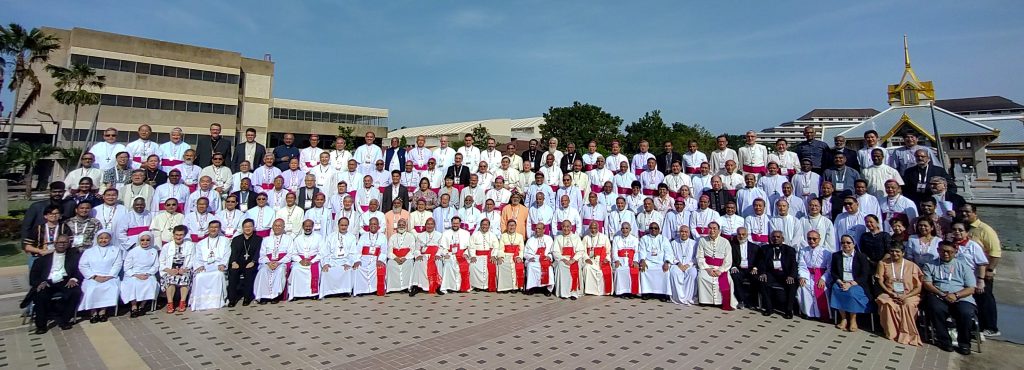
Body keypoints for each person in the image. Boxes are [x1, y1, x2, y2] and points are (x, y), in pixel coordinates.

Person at [922, 241, 978, 355]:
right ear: (938, 250)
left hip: (961, 296)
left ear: (955, 252)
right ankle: (944, 341)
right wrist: (942, 294)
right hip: (939, 295)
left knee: (966, 313)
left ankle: (964, 343)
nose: (946, 254)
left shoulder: (963, 266)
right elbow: (927, 284)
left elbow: (971, 288)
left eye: (949, 252)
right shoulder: (930, 265)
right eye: (943, 251)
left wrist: (956, 295)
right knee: (934, 308)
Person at [959, 204, 1001, 337]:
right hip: (968, 272)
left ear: (975, 213)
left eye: (967, 212)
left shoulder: (985, 229)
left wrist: (990, 270)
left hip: (982, 271)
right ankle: (978, 326)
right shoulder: (963, 227)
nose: (964, 214)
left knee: (985, 299)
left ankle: (991, 327)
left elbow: (995, 252)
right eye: (962, 212)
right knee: (975, 300)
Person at [27, 235, 82, 333]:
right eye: (60, 242)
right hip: (47, 282)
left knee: (75, 292)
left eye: (65, 243)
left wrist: (74, 279)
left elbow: (79, 271)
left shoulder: (74, 258)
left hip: (65, 280)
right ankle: (41, 325)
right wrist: (40, 282)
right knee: (40, 295)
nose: (62, 244)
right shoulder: (42, 260)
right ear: (55, 243)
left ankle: (64, 320)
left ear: (69, 244)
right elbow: (33, 276)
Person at [876, 244, 923, 346]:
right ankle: (892, 333)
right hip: (890, 293)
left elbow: (918, 287)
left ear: (903, 253)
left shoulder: (912, 266)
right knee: (886, 303)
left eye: (897, 251)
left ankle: (907, 334)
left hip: (909, 294)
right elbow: (880, 281)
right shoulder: (884, 263)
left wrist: (905, 296)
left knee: (908, 305)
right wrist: (890, 293)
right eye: (892, 251)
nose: (894, 254)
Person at [830, 234, 872, 332]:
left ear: (854, 244)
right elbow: (833, 272)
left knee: (851, 293)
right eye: (843, 242)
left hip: (856, 283)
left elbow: (864, 275)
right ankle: (844, 319)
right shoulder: (836, 255)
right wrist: (840, 282)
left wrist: (850, 284)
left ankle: (853, 319)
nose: (846, 245)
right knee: (836, 289)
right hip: (842, 282)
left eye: (848, 242)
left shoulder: (861, 256)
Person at [78, 230, 122, 323]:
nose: (103, 240)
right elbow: (83, 265)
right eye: (101, 238)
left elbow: (117, 264)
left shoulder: (116, 250)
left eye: (106, 238)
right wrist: (94, 276)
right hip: (93, 277)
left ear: (110, 239)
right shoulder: (89, 251)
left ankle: (103, 311)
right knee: (92, 288)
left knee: (110, 287)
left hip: (109, 276)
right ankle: (93, 313)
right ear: (97, 239)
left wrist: (109, 276)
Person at [754, 231, 798, 318]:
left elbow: (794, 264)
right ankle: (769, 308)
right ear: (770, 238)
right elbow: (761, 262)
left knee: (792, 284)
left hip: (785, 274)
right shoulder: (764, 249)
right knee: (762, 281)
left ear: (782, 239)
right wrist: (763, 273)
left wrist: (791, 275)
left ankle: (788, 310)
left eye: (778, 237)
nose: (775, 239)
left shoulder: (790, 250)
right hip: (771, 273)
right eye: (773, 237)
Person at [696, 222, 736, 310]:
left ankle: (721, 302)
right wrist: (707, 269)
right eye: (710, 228)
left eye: (714, 228)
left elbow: (728, 259)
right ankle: (705, 301)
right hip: (707, 266)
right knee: (701, 277)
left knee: (728, 280)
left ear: (719, 230)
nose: (712, 230)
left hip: (720, 267)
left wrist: (721, 270)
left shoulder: (725, 242)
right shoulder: (702, 240)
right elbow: (700, 257)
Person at [122, 232, 160, 317]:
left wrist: (148, 273)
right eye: (142, 240)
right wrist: (136, 275)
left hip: (148, 274)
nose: (145, 242)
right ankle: (134, 306)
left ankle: (142, 305)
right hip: (134, 274)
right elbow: (127, 267)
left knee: (151, 283)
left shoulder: (154, 251)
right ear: (139, 240)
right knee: (133, 283)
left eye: (147, 240)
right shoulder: (133, 251)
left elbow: (156, 265)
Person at [797, 230, 832, 320]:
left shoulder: (826, 252)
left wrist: (823, 278)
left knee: (821, 288)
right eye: (809, 238)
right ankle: (808, 313)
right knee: (803, 287)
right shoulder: (803, 251)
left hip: (821, 275)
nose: (811, 241)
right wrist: (802, 276)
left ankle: (821, 314)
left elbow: (829, 268)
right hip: (808, 275)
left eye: (814, 239)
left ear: (819, 239)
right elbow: (802, 265)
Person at [254, 219, 291, 303]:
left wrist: (278, 262)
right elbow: (262, 254)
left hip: (281, 262)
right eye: (275, 225)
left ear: (283, 227)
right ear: (272, 227)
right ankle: (263, 296)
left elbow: (290, 254)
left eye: (279, 226)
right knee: (263, 271)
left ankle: (275, 296)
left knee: (280, 271)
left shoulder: (288, 239)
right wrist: (268, 262)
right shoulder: (266, 239)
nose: (277, 227)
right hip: (268, 262)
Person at [159, 225, 193, 313]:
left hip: (184, 269)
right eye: (176, 235)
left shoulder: (190, 245)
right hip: (170, 270)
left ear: (184, 235)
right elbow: (161, 262)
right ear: (173, 235)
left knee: (184, 278)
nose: (178, 237)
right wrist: (169, 270)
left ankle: (182, 302)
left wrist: (185, 269)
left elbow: (193, 260)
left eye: (181, 235)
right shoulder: (166, 246)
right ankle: (170, 303)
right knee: (170, 279)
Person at [320, 218, 357, 298]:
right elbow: (325, 252)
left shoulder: (352, 237)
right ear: (338, 225)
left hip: (345, 260)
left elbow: (353, 253)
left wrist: (348, 263)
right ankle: (328, 292)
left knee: (347, 270)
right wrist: (326, 263)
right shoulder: (331, 236)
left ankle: (345, 291)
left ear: (348, 226)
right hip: (332, 261)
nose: (343, 227)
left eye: (345, 225)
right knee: (326, 271)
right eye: (342, 225)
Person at [227, 219, 261, 306]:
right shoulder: (236, 239)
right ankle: (232, 299)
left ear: (253, 228)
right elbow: (233, 252)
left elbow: (258, 252)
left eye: (250, 226)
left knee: (249, 273)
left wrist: (253, 261)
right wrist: (233, 262)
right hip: (238, 263)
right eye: (246, 227)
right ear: (242, 228)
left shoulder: (258, 239)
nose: (248, 228)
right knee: (233, 273)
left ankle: (247, 297)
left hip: (251, 263)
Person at [288, 220, 324, 301]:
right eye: (306, 226)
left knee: (316, 269)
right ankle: (296, 293)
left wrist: (312, 261)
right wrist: (301, 261)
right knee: (295, 269)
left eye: (310, 226)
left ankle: (313, 293)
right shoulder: (297, 239)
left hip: (314, 260)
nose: (308, 228)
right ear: (303, 227)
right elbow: (293, 253)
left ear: (313, 226)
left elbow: (322, 252)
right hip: (301, 260)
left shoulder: (319, 237)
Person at [552, 220, 585, 300]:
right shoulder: (558, 238)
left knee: (575, 266)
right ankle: (563, 293)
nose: (566, 229)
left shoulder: (576, 237)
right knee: (561, 265)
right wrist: (563, 259)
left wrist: (573, 259)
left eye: (567, 227)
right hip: (563, 260)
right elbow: (555, 252)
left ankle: (574, 293)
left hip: (574, 259)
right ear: (561, 228)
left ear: (571, 227)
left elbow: (580, 251)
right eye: (564, 227)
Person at [410, 218, 443, 296]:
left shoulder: (439, 235)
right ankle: (416, 286)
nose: (429, 226)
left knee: (438, 262)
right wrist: (418, 255)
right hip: (424, 255)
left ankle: (438, 286)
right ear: (425, 225)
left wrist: (438, 254)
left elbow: (441, 247)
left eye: (431, 224)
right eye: (428, 224)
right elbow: (417, 249)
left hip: (435, 255)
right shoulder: (420, 236)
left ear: (434, 225)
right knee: (418, 262)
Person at [355, 218, 388, 296]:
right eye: (371, 224)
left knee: (376, 267)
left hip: (376, 258)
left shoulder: (382, 236)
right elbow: (358, 250)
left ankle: (374, 289)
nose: (373, 226)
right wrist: (357, 260)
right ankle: (361, 290)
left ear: (378, 226)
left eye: (375, 224)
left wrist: (380, 260)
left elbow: (384, 251)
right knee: (358, 268)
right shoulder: (363, 236)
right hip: (364, 258)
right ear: (369, 226)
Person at [440, 217, 471, 293]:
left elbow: (469, 247)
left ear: (460, 224)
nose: (455, 225)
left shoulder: (466, 233)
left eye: (457, 223)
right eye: (454, 223)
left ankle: (461, 287)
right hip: (450, 255)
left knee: (464, 264)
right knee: (448, 264)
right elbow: (442, 247)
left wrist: (466, 254)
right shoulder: (445, 233)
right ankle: (450, 286)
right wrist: (446, 254)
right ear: (451, 223)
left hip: (462, 255)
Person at [729, 227, 758, 309]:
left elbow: (758, 260)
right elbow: (729, 258)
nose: (741, 236)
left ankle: (752, 302)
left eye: (743, 234)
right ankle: (741, 300)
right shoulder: (732, 246)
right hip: (739, 268)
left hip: (751, 269)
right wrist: (733, 266)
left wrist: (755, 268)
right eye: (739, 234)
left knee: (755, 278)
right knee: (735, 276)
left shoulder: (754, 247)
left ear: (747, 234)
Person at [668, 225, 698, 305]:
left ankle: (689, 297)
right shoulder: (673, 242)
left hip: (690, 265)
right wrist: (678, 263)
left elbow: (696, 257)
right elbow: (671, 256)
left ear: (689, 233)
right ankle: (677, 297)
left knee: (693, 273)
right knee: (674, 273)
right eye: (682, 231)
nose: (684, 233)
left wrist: (688, 265)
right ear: (679, 233)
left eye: (686, 232)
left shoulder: (694, 243)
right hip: (677, 264)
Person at [386, 219, 416, 294]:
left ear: (406, 226)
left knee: (409, 264)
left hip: (406, 258)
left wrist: (405, 258)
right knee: (390, 264)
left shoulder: (411, 236)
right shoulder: (392, 237)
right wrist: (395, 258)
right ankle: (393, 287)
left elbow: (412, 250)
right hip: (395, 257)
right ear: (397, 226)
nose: (401, 226)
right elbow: (389, 251)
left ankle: (407, 287)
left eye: (403, 225)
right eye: (399, 225)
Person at [469, 219, 499, 291]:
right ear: (480, 225)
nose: (484, 226)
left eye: (486, 225)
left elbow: (496, 246)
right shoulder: (475, 234)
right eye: (483, 225)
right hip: (477, 256)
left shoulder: (492, 235)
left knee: (492, 266)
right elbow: (471, 246)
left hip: (489, 256)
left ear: (489, 226)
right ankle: (477, 286)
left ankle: (486, 286)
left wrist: (493, 255)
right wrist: (473, 256)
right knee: (473, 266)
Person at [524, 223, 555, 295]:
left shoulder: (549, 239)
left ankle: (547, 289)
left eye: (539, 229)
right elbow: (526, 252)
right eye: (536, 228)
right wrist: (530, 258)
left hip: (545, 259)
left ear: (544, 230)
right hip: (534, 259)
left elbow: (551, 252)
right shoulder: (530, 240)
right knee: (531, 266)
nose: (537, 230)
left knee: (548, 267)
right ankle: (532, 288)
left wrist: (549, 257)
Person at [497, 219, 526, 292]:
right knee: (502, 264)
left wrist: (519, 257)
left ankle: (515, 287)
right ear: (507, 226)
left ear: (516, 226)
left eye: (513, 225)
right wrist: (500, 257)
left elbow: (522, 249)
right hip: (506, 255)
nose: (511, 227)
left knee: (516, 264)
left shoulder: (520, 236)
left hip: (516, 256)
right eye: (509, 225)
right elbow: (500, 248)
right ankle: (505, 287)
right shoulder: (503, 236)